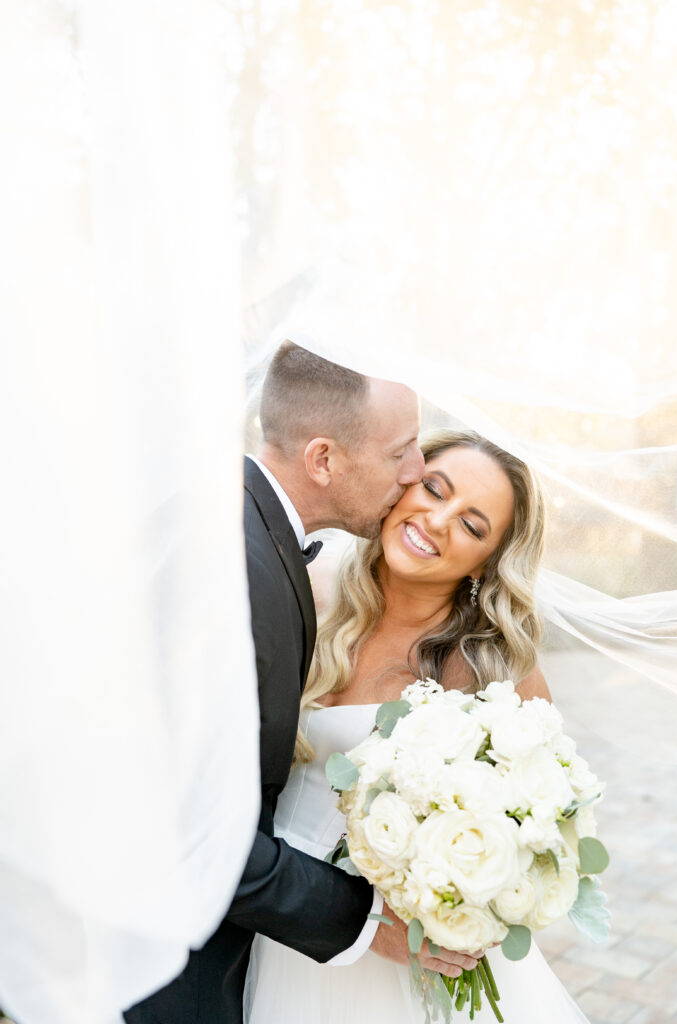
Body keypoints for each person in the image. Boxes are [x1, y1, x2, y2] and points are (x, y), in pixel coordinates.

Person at [125, 345, 483, 1024]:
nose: (416, 473)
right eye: (401, 452)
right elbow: (190, 825)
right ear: (324, 459)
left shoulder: (242, 527)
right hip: (164, 966)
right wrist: (364, 923)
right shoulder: (232, 565)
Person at [245, 428, 592, 1024]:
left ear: (488, 561)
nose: (436, 520)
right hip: (275, 915)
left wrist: (469, 892)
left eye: (473, 525)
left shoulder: (494, 670)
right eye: (434, 489)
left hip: (400, 960)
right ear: (403, 484)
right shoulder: (302, 587)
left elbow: (544, 829)